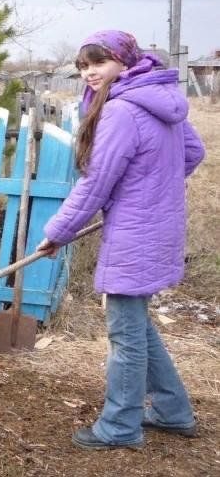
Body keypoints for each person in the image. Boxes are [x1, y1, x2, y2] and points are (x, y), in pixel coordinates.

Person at [37, 30, 205, 450]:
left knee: (125, 337)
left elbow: (96, 183)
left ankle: (119, 427)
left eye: (98, 63)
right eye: (83, 66)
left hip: (135, 232)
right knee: (137, 327)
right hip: (157, 226)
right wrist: (152, 189)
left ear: (125, 62)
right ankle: (172, 411)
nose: (90, 73)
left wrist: (59, 232)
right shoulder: (161, 100)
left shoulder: (121, 111)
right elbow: (192, 153)